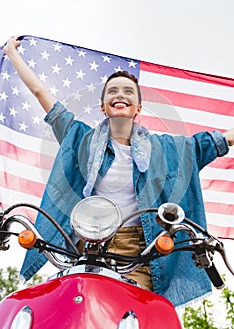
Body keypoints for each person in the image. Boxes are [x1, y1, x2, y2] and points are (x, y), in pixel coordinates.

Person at [3, 36, 234, 307]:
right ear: (103, 106)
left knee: (132, 314)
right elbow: (44, 96)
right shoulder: (80, 140)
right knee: (69, 312)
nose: (120, 95)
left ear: (138, 108)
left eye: (128, 91)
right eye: (112, 91)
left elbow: (212, 143)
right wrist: (12, 54)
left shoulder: (166, 149)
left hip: (137, 251)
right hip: (86, 249)